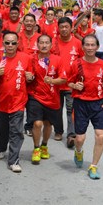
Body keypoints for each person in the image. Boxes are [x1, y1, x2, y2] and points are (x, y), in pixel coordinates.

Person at [0, 31, 33, 173]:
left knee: (16, 131)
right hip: (0, 102)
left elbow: (30, 76)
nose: (10, 45)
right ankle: (1, 148)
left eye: (13, 43)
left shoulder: (26, 58)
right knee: (1, 129)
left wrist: (30, 77)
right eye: (7, 43)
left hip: (18, 101)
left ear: (18, 43)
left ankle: (13, 160)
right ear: (3, 43)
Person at [68, 35, 103, 180]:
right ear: (83, 47)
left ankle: (93, 166)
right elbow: (68, 82)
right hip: (81, 103)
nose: (90, 48)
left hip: (98, 103)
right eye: (87, 45)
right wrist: (74, 85)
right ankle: (78, 151)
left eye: (93, 45)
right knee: (79, 139)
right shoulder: (76, 64)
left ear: (97, 47)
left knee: (100, 136)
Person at [27, 35, 66, 165]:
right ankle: (36, 148)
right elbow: (28, 75)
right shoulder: (31, 59)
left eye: (46, 43)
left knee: (48, 124)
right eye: (41, 43)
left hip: (52, 98)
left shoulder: (58, 60)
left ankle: (44, 145)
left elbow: (64, 79)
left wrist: (52, 81)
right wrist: (29, 77)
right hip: (35, 96)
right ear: (37, 45)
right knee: (37, 124)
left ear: (51, 45)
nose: (44, 45)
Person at [51, 17, 84, 146]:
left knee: (71, 109)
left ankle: (71, 134)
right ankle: (58, 131)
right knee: (57, 108)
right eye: (61, 27)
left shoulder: (77, 43)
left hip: (71, 84)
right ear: (58, 29)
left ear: (71, 28)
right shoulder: (52, 43)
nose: (64, 29)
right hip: (56, 82)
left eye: (66, 27)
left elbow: (83, 62)